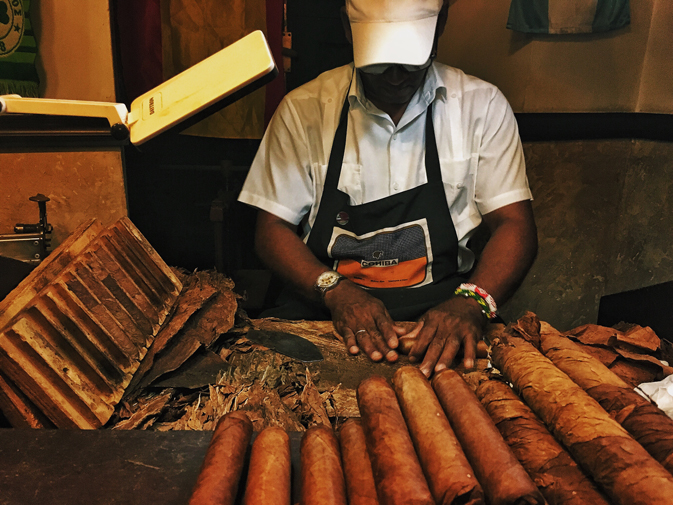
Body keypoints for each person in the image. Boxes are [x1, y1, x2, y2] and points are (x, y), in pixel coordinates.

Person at [238, 0, 537, 377]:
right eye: (380, 62)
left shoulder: (481, 107)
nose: (396, 76)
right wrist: (334, 290)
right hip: (322, 309)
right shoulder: (304, 110)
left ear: (441, 24)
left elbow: (515, 225)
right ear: (348, 30)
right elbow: (270, 230)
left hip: (443, 313)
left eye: (411, 61)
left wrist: (472, 303)